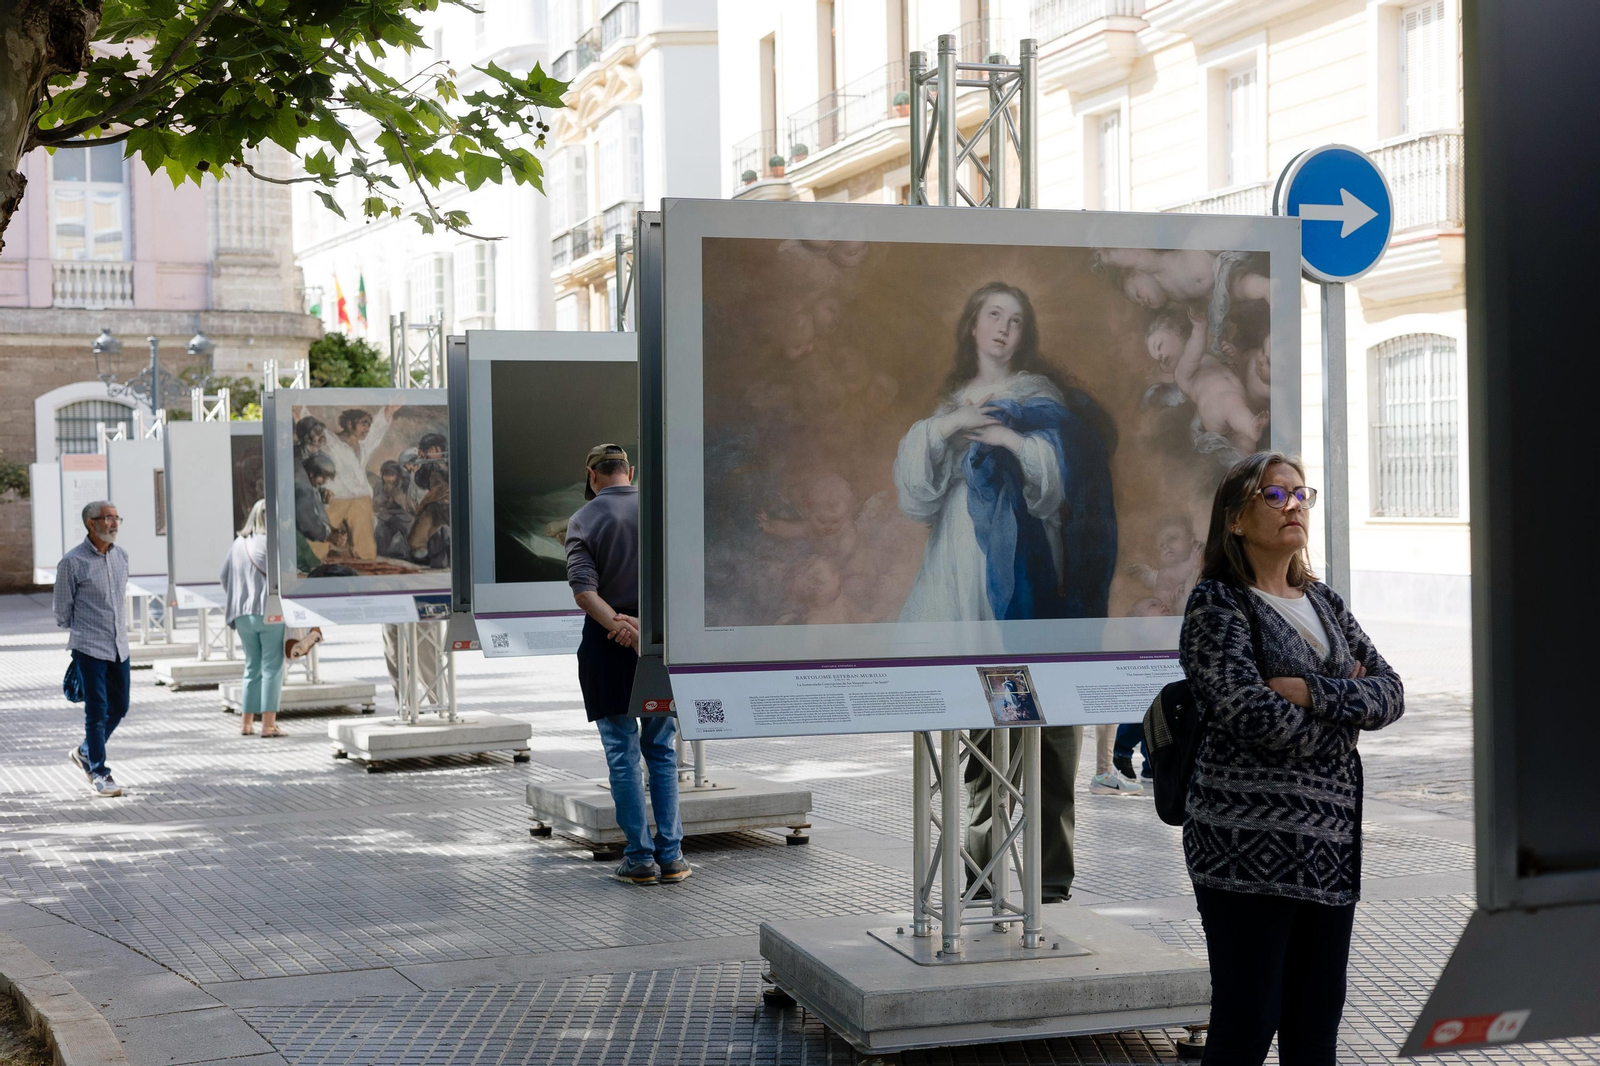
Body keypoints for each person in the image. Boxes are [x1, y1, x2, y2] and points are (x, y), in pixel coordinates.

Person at [893, 281, 1118, 904]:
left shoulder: (1040, 402)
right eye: (994, 315)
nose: (1003, 329)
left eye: (1016, 321)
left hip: (1020, 575)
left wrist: (1010, 442)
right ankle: (982, 869)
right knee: (975, 732)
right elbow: (917, 498)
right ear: (972, 325)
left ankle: (1047, 873)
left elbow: (1061, 486)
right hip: (956, 573)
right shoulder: (950, 406)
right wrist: (948, 429)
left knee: (1035, 719)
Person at [1180, 452, 1405, 1066]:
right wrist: (1344, 719)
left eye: (1301, 495)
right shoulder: (1219, 604)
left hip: (1329, 852)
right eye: (1274, 496)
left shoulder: (1323, 601)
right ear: (1235, 517)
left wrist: (1310, 691)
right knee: (1247, 1026)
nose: (1294, 507)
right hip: (1243, 852)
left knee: (1314, 1033)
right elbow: (1249, 712)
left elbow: (1391, 693)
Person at [565, 444, 689, 887]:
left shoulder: (583, 519)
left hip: (605, 650)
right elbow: (681, 579)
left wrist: (617, 627)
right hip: (657, 648)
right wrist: (643, 631)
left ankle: (639, 859)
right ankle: (672, 856)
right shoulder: (659, 512)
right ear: (629, 472)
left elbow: (583, 591)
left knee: (622, 754)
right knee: (662, 751)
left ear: (592, 475)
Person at [53, 501, 130, 798]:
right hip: (89, 647)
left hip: (119, 647)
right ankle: (99, 772)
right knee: (96, 711)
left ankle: (85, 751)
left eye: (115, 518)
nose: (113, 523)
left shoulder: (122, 556)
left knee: (119, 707)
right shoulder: (72, 562)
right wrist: (84, 630)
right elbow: (62, 610)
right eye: (106, 518)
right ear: (90, 523)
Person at [220, 500, 288, 738]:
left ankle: (246, 724)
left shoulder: (238, 543)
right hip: (269, 613)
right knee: (272, 667)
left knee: (251, 667)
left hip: (241, 614)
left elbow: (223, 576)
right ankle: (268, 725)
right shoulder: (272, 543)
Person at [322, 405, 398, 559]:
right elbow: (307, 423)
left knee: (366, 551)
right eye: (363, 423)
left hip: (360, 501)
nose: (367, 428)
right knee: (319, 543)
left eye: (369, 424)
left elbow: (376, 430)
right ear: (349, 424)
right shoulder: (331, 441)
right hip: (334, 499)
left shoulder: (362, 446)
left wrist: (388, 411)